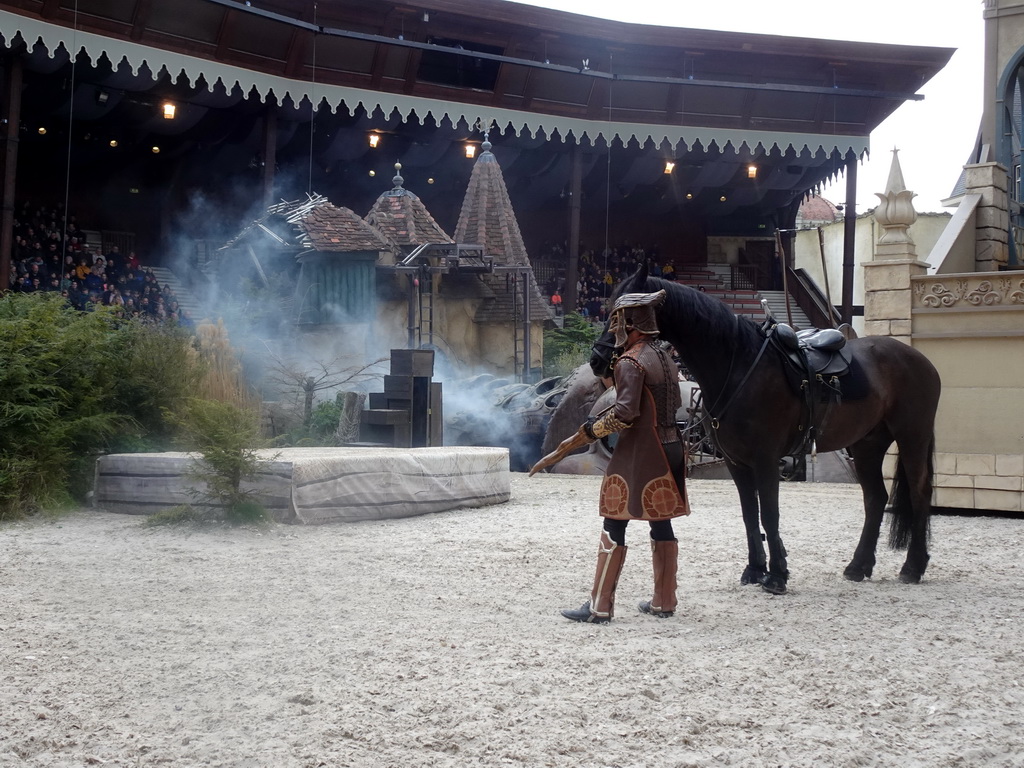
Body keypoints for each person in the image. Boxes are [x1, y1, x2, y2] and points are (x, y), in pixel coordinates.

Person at [562, 289, 689, 624]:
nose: (613, 326)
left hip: (641, 450)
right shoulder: (663, 357)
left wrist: (592, 430)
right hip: (670, 445)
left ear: (629, 322)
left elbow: (624, 414)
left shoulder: (631, 362)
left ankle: (598, 607)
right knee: (661, 519)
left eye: (617, 320)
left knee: (614, 519)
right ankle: (664, 600)